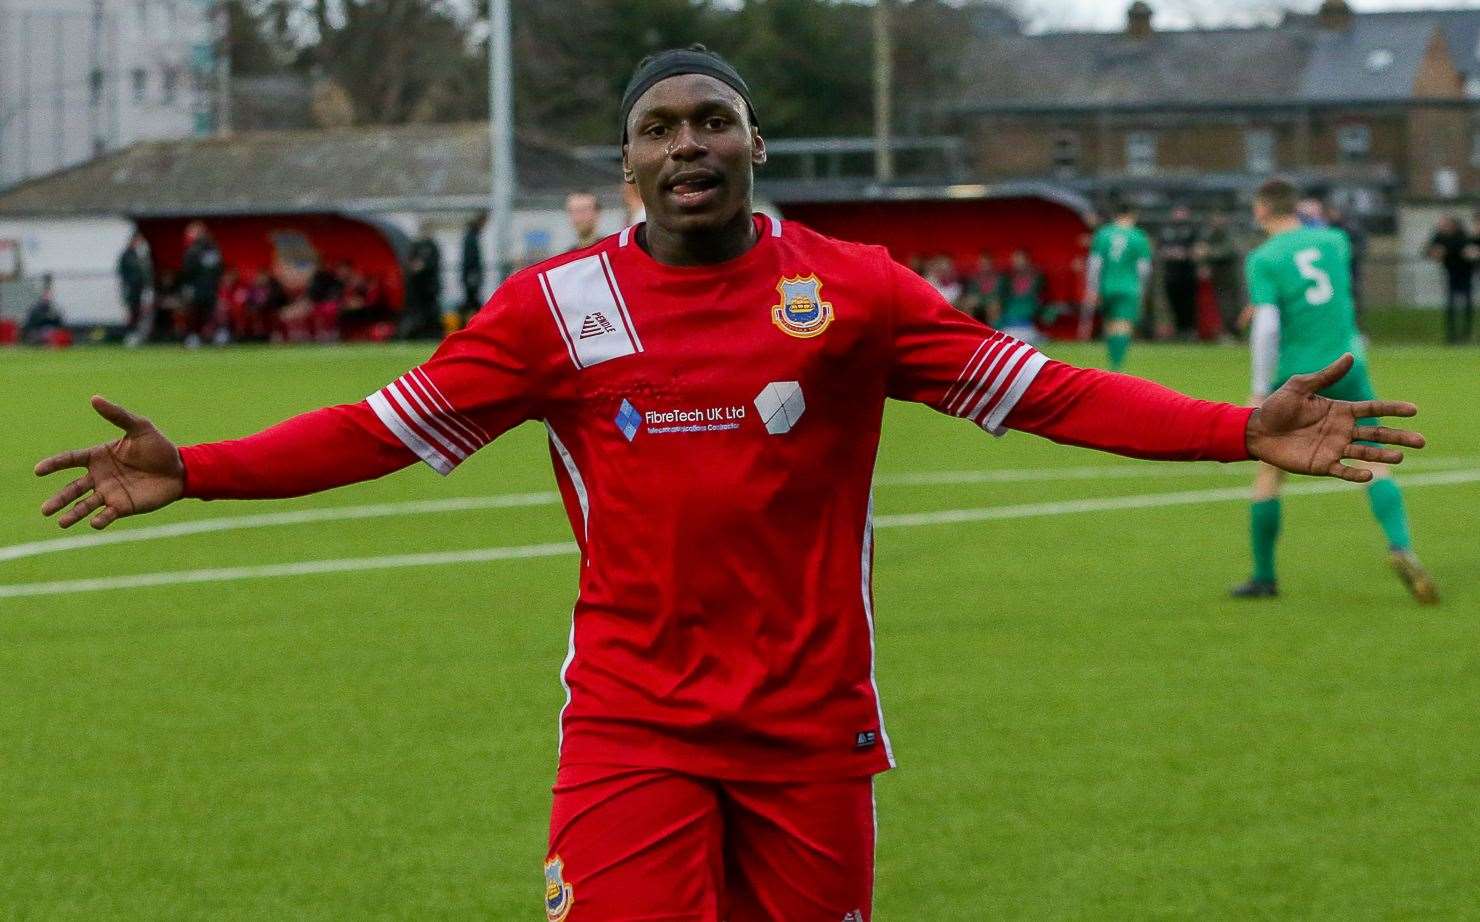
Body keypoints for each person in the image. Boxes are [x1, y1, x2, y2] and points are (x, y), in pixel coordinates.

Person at [33, 47, 1425, 919]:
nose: (688, 143)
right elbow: (384, 426)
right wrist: (199, 468)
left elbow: (1043, 390)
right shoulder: (552, 308)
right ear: (626, 162)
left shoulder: (852, 291)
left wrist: (1233, 426)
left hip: (815, 729)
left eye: (715, 121)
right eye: (660, 126)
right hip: (634, 721)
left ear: (755, 146)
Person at [1233, 178, 1436, 603]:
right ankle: (1401, 546)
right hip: (1348, 365)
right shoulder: (1334, 242)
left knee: (1271, 468)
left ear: (1262, 210)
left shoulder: (1263, 258)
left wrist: (1257, 390)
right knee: (1374, 460)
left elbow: (1268, 327)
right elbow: (1321, 290)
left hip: (1299, 376)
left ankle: (1264, 577)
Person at [1082, 200, 1152, 370]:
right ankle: (1117, 365)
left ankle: (1112, 363)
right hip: (1129, 287)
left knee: (1110, 323)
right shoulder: (1139, 236)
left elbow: (1094, 264)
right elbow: (1144, 268)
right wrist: (1143, 289)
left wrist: (1092, 288)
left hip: (1107, 285)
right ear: (1132, 215)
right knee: (1124, 324)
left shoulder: (1102, 234)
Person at [1427, 215, 1473, 344]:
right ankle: (1451, 335)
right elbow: (1428, 251)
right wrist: (1434, 253)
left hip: (1465, 274)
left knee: (1467, 306)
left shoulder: (1462, 236)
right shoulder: (1439, 237)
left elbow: (1469, 251)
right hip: (1451, 275)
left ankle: (1466, 335)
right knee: (1451, 306)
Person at [178, 222, 224, 348]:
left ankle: (195, 337)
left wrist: (187, 286)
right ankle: (217, 336)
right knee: (209, 314)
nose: (188, 235)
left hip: (198, 288)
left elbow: (187, 271)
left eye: (191, 232)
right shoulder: (213, 248)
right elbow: (219, 269)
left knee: (195, 314)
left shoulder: (193, 250)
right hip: (211, 288)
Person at [1199, 212, 1243, 340]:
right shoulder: (1211, 234)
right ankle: (1229, 331)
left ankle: (1235, 331)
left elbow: (1228, 250)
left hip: (1231, 276)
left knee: (1232, 304)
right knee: (1222, 305)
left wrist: (1208, 252)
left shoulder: (1230, 233)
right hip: (1218, 276)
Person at [1159, 204, 1200, 340]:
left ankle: (1189, 331)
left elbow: (1200, 249)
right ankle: (1178, 330)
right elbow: (1159, 248)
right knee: (1173, 303)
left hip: (1188, 273)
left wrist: (1186, 254)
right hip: (1171, 274)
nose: (1180, 215)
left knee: (1188, 303)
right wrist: (1170, 253)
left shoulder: (1193, 230)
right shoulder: (1166, 230)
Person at [400, 228, 443, 340]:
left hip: (430, 289)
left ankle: (433, 335)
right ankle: (415, 335)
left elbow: (434, 264)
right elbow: (408, 263)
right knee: (417, 313)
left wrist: (423, 266)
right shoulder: (415, 246)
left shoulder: (432, 247)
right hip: (418, 289)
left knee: (431, 313)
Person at [996, 249, 1044, 344]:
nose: (1017, 261)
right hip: (1008, 320)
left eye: (1020, 258)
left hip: (1029, 313)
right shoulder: (1007, 277)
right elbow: (1001, 294)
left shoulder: (1036, 275)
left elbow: (1039, 294)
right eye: (1015, 259)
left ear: (1027, 260)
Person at [117, 232, 154, 347]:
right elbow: (123, 273)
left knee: (141, 313)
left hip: (142, 289)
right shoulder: (127, 255)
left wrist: (148, 288)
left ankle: (139, 334)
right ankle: (130, 334)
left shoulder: (144, 256)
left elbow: (148, 274)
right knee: (132, 312)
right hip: (131, 289)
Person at [22, 274, 68, 346]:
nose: (47, 300)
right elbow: (32, 322)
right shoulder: (35, 309)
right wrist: (46, 318)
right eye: (45, 297)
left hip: (50, 329)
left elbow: (59, 322)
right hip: (38, 329)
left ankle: (49, 343)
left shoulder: (54, 309)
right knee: (44, 331)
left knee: (50, 330)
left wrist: (52, 318)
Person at [460, 214, 487, 325]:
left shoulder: (470, 236)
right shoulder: (472, 238)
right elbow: (471, 259)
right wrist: (474, 275)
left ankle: (467, 325)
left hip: (470, 274)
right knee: (472, 302)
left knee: (471, 302)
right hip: (472, 275)